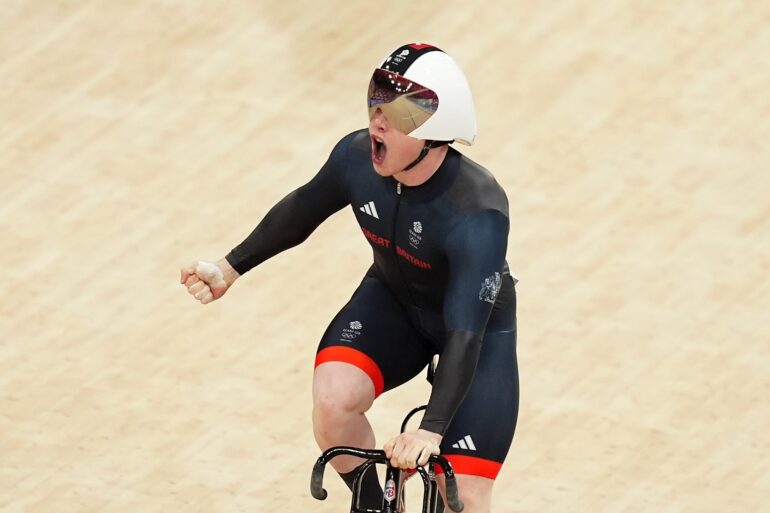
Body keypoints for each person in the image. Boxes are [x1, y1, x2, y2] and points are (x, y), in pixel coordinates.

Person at [180, 43, 519, 513]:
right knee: (333, 400)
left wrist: (430, 430)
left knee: (463, 492)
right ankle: (378, 506)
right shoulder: (356, 157)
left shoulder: (477, 211)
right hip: (395, 304)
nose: (379, 118)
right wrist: (229, 267)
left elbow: (464, 332)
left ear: (437, 133)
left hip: (475, 337)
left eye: (401, 111)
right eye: (377, 98)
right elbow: (302, 210)